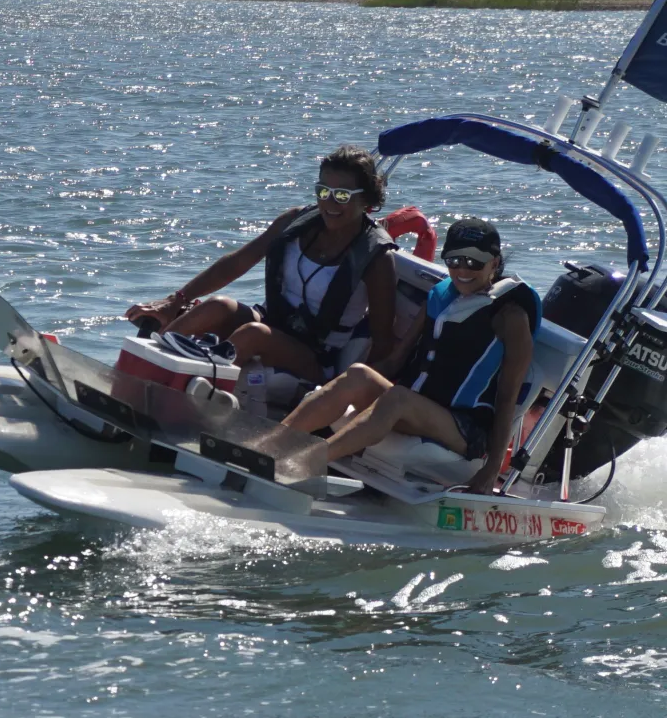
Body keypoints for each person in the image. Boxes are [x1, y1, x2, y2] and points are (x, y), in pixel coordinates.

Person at [281, 217, 541, 495]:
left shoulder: (510, 315)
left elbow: (506, 398)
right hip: (417, 408)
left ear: (495, 262)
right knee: (359, 374)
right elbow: (395, 360)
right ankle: (269, 446)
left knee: (399, 398)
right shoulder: (442, 295)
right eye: (454, 260)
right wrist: (342, 388)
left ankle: (303, 463)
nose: (463, 269)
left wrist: (490, 470)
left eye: (474, 262)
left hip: (465, 430)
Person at [125, 145, 399, 385]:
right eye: (323, 191)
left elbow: (382, 341)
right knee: (218, 305)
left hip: (317, 358)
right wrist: (175, 300)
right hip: (272, 322)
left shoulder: (377, 258)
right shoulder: (295, 221)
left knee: (253, 334)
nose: (329, 202)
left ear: (366, 199)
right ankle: (135, 375)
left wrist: (351, 395)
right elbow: (238, 262)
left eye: (341, 196)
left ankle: (187, 394)